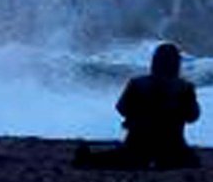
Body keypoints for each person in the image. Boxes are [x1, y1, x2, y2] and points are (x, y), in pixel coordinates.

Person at [72, 42, 202, 170]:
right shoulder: (185, 87)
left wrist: (138, 117)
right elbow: (192, 116)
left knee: (117, 158)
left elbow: (121, 108)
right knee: (191, 161)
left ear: (154, 62)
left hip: (138, 144)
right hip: (173, 145)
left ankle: (88, 158)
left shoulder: (137, 83)